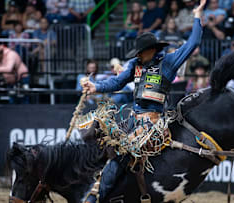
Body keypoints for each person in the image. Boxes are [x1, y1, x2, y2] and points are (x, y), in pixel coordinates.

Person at [82, 0, 206, 202]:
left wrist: (197, 15)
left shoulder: (168, 62)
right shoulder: (134, 64)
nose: (137, 55)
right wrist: (96, 86)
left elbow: (192, 43)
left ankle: (96, 196)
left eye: (140, 52)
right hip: (133, 117)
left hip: (153, 122)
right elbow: (117, 82)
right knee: (99, 139)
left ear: (150, 50)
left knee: (122, 152)